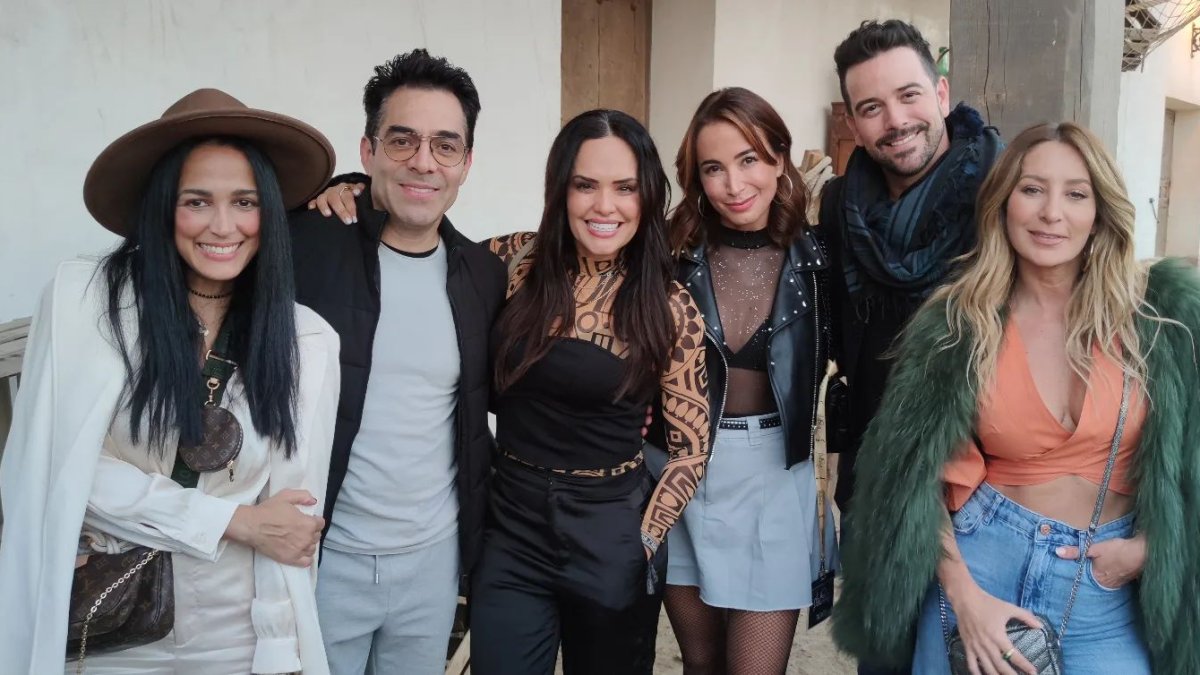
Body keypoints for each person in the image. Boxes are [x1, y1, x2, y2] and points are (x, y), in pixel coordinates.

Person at [833, 122, 1200, 675]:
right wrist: (964, 597)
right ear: (1003, 204)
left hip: (1108, 584)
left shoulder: (1161, 315)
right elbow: (908, 481)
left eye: (1076, 194)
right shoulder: (957, 323)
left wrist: (1149, 550)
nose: (1052, 213)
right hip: (983, 569)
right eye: (1031, 189)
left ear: (1099, 212)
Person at [0, 88, 341, 674]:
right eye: (197, 201)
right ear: (163, 207)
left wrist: (280, 651)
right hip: (112, 634)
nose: (223, 225)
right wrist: (234, 522)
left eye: (244, 201)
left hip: (237, 639)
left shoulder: (306, 340)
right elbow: (60, 469)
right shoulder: (87, 305)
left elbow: (287, 525)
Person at [466, 109, 710, 675]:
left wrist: (643, 543)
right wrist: (350, 192)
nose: (605, 207)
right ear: (560, 189)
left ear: (647, 196)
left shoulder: (671, 306)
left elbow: (691, 449)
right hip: (511, 525)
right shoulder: (512, 260)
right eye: (585, 185)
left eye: (625, 188)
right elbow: (423, 242)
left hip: (610, 531)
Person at [287, 49, 507, 675]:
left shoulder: (483, 277)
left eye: (445, 145)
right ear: (368, 150)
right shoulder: (306, 247)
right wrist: (319, 194)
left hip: (433, 566)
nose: (423, 161)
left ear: (466, 162)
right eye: (402, 140)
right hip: (324, 559)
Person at [819, 22, 1004, 673]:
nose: (895, 121)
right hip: (881, 493)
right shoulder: (842, 206)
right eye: (871, 107)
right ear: (853, 120)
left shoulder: (1006, 195)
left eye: (908, 96)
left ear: (942, 91)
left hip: (991, 497)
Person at [639, 86, 837, 675]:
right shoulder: (665, 253)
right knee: (701, 665)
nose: (734, 183)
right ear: (697, 178)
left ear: (779, 157)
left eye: (749, 159)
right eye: (714, 168)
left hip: (775, 474)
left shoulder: (822, 257)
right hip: (677, 471)